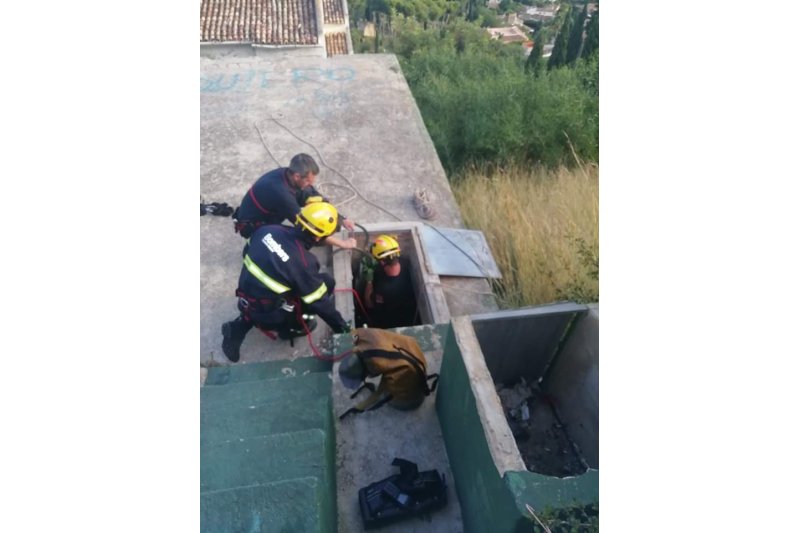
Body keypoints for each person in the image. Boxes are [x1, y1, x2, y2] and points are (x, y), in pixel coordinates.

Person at [221, 201, 352, 362]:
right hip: (271, 313)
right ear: (318, 237)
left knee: (270, 294)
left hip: (245, 295)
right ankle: (289, 328)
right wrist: (342, 328)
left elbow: (246, 252)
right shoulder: (303, 263)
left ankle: (240, 324)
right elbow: (320, 303)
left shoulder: (268, 230)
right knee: (326, 284)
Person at [232, 153, 356, 249]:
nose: (310, 184)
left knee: (309, 195)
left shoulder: (287, 174)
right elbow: (307, 229)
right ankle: (262, 247)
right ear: (297, 176)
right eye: (307, 181)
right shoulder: (282, 195)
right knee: (304, 238)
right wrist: (343, 244)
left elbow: (314, 197)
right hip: (253, 226)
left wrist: (341, 219)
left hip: (269, 213)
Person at [337, 328, 438, 419]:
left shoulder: (381, 365)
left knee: (396, 397)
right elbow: (354, 333)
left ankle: (407, 398)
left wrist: (360, 407)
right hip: (411, 349)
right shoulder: (362, 336)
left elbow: (380, 394)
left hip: (411, 390)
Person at [361, 235, 418, 329]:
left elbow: (369, 304)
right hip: (406, 309)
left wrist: (369, 280)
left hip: (391, 321)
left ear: (382, 262)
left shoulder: (385, 289)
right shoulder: (404, 262)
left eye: (375, 258)